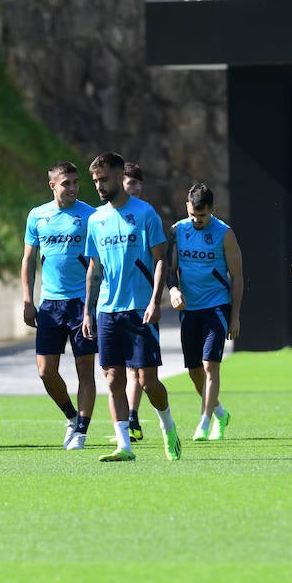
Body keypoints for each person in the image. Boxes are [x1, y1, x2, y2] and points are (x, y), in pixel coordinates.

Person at [81, 151, 180, 462]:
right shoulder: (96, 219)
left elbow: (161, 258)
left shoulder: (145, 213)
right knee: (112, 378)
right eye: (95, 180)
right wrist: (88, 309)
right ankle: (124, 445)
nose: (99, 185)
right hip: (107, 310)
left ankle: (168, 426)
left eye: (104, 179)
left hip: (140, 309)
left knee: (148, 382)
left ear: (119, 176)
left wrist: (155, 300)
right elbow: (94, 268)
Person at [22, 161, 98, 450]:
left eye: (76, 182)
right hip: (50, 304)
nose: (73, 188)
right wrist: (28, 299)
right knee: (45, 370)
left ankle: (81, 431)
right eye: (66, 183)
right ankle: (70, 415)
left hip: (82, 303)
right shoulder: (38, 216)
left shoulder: (90, 216)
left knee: (84, 369)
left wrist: (93, 304)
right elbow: (28, 260)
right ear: (52, 185)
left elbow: (97, 261)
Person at [168, 182, 243, 441]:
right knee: (194, 370)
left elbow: (238, 276)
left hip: (217, 306)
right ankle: (220, 412)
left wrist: (234, 316)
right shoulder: (178, 230)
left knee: (210, 365)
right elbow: (170, 270)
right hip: (190, 308)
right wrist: (173, 290)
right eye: (192, 215)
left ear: (212, 209)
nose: (197, 220)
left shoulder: (225, 233)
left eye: (202, 215)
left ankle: (204, 421)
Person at [119, 159, 146, 439]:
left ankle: (157, 419)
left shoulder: (147, 215)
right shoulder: (109, 216)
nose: (133, 187)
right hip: (116, 303)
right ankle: (131, 417)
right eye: (129, 183)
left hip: (142, 301)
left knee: (143, 373)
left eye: (137, 182)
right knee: (128, 370)